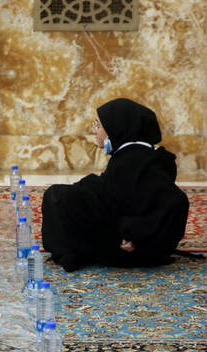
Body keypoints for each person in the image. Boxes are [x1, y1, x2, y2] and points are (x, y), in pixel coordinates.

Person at [41, 98, 189, 272]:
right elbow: (118, 197)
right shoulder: (135, 154)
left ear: (116, 127)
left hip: (131, 250)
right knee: (69, 194)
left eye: (99, 125)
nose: (95, 130)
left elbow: (174, 202)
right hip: (137, 244)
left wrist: (135, 234)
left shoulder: (135, 159)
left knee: (57, 198)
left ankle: (72, 251)